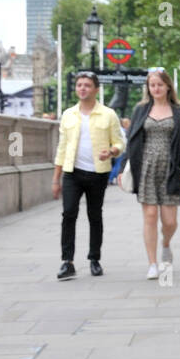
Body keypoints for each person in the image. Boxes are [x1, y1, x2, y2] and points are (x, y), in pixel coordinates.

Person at [124, 68, 180, 281]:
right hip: (146, 167)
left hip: (170, 167)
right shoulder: (141, 110)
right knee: (150, 216)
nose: (155, 88)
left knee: (170, 221)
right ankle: (153, 264)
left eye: (159, 85)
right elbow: (131, 141)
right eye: (152, 85)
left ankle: (166, 244)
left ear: (167, 86)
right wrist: (122, 169)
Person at [52, 71, 125, 279]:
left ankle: (94, 259)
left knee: (94, 215)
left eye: (87, 85)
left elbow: (120, 142)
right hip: (72, 173)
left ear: (96, 89)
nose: (82, 88)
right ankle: (67, 261)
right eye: (79, 85)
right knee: (68, 214)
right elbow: (62, 148)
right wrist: (56, 179)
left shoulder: (108, 114)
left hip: (97, 173)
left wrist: (111, 151)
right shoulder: (68, 115)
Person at [109, 117, 131, 186]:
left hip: (116, 149)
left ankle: (111, 178)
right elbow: (124, 141)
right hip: (122, 150)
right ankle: (112, 178)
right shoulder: (123, 131)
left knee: (116, 165)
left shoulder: (120, 130)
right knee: (118, 165)